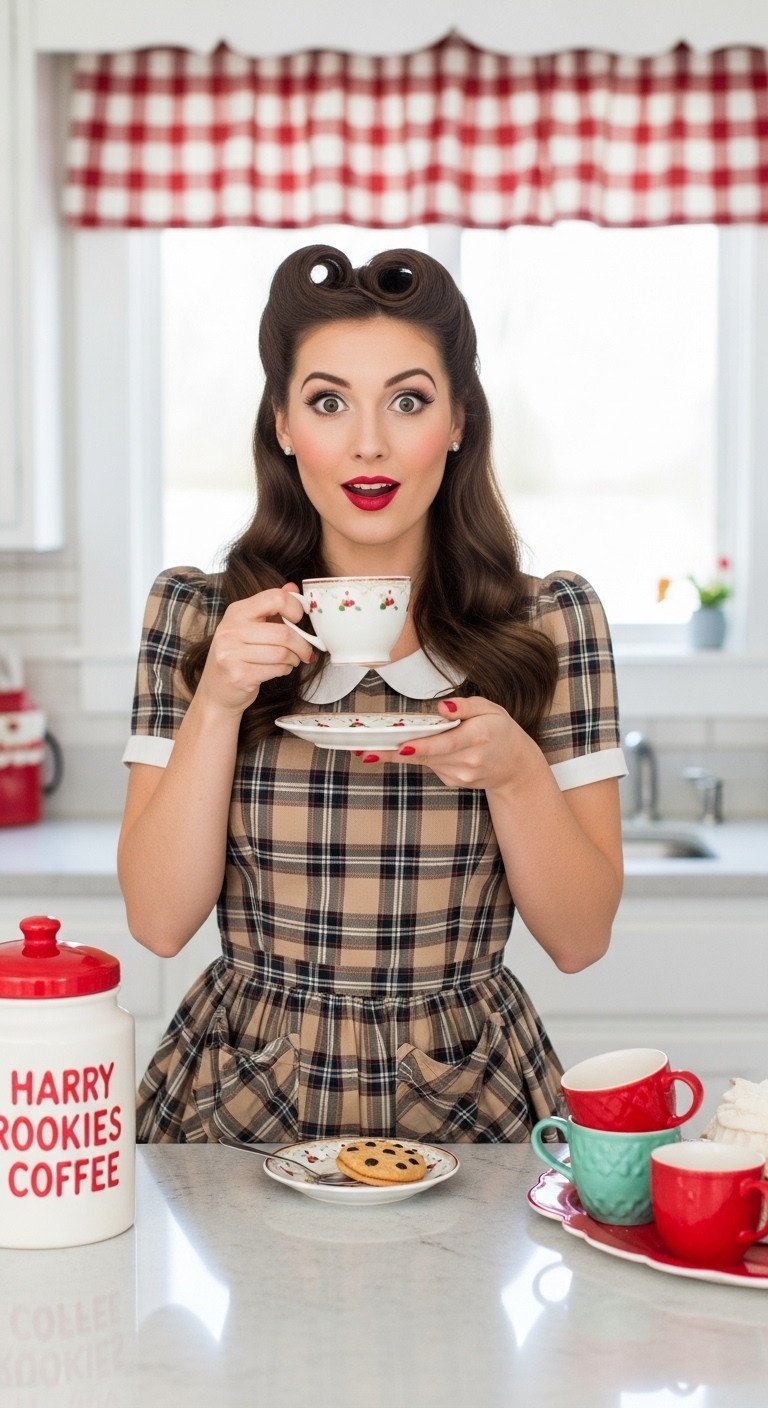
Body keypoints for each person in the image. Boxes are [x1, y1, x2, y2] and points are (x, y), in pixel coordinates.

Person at [118, 244, 626, 1144]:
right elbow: (159, 923)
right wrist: (218, 705)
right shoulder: (201, 616)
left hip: (472, 1093)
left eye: (408, 400)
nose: (368, 442)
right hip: (242, 1088)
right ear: (281, 424)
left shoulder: (550, 622)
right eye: (327, 402)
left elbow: (582, 941)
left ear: (460, 421)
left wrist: (515, 774)